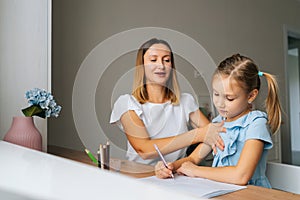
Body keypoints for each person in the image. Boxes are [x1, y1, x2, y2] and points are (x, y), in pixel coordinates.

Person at [155, 54, 282, 188]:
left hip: (251, 194)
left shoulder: (256, 123)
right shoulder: (218, 123)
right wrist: (170, 166)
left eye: (229, 98)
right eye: (216, 94)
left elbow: (241, 176)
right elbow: (193, 159)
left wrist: (196, 171)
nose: (220, 104)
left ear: (251, 95)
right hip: (223, 191)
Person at [110, 38, 225, 165]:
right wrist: (198, 135)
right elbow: (144, 150)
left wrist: (188, 161)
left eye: (167, 60)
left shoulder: (186, 101)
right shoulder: (127, 103)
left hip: (176, 176)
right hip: (140, 176)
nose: (161, 65)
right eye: (153, 60)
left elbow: (214, 134)